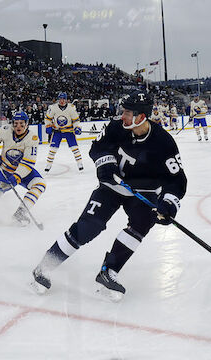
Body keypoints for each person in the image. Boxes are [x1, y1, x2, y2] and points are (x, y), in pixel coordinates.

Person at [30, 91, 187, 301]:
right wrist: (105, 165)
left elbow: (177, 180)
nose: (122, 116)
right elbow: (97, 147)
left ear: (141, 117)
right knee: (87, 227)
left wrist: (168, 204)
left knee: (140, 226)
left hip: (144, 192)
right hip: (112, 187)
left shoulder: (163, 143)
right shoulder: (116, 127)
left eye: (128, 113)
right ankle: (44, 267)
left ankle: (109, 271)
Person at [44, 92, 84, 172]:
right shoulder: (53, 108)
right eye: (60, 99)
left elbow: (76, 120)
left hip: (69, 131)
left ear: (66, 100)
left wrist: (77, 127)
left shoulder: (71, 108)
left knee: (74, 148)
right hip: (57, 131)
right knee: (53, 149)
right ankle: (48, 164)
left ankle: (80, 163)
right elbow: (48, 119)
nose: (62, 101)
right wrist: (48, 126)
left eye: (64, 99)